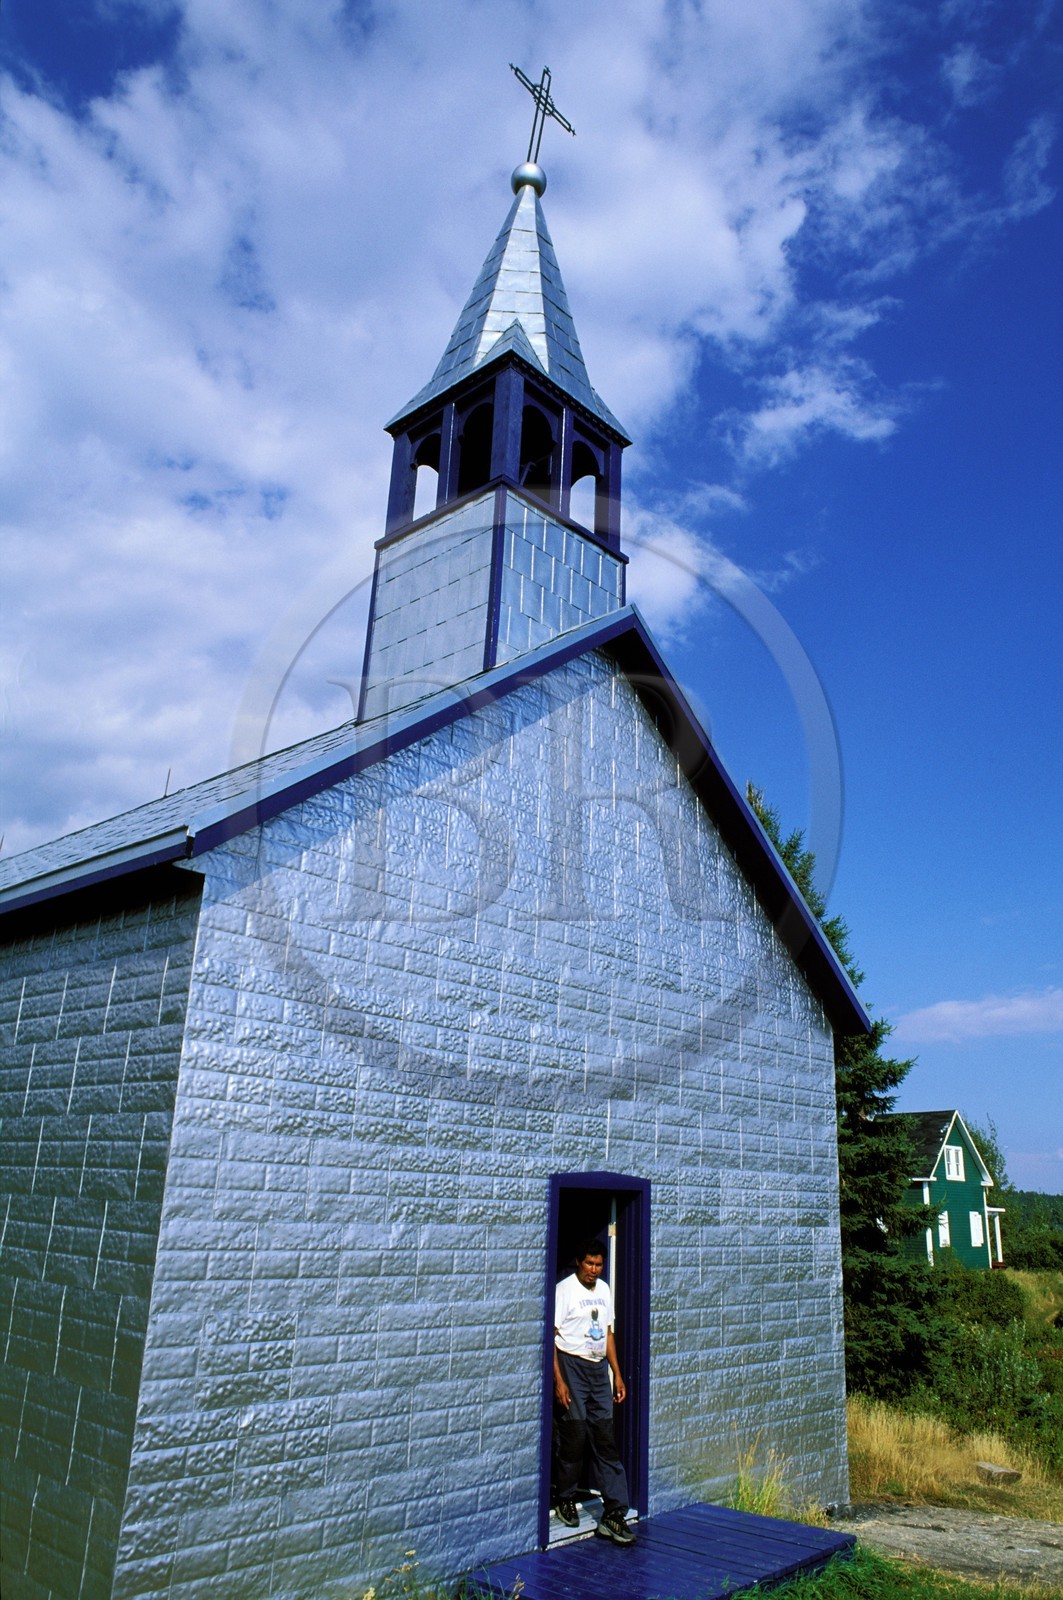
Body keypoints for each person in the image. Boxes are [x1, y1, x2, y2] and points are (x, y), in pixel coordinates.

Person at [553, 1239, 636, 1546]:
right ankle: (564, 1497)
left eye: (599, 1264)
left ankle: (614, 1513)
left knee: (605, 1439)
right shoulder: (564, 1290)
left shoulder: (603, 1289)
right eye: (589, 1264)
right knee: (573, 1437)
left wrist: (617, 1374)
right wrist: (559, 1381)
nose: (594, 1270)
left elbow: (608, 1333)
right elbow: (552, 1336)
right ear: (579, 1262)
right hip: (571, 1366)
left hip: (598, 1368)